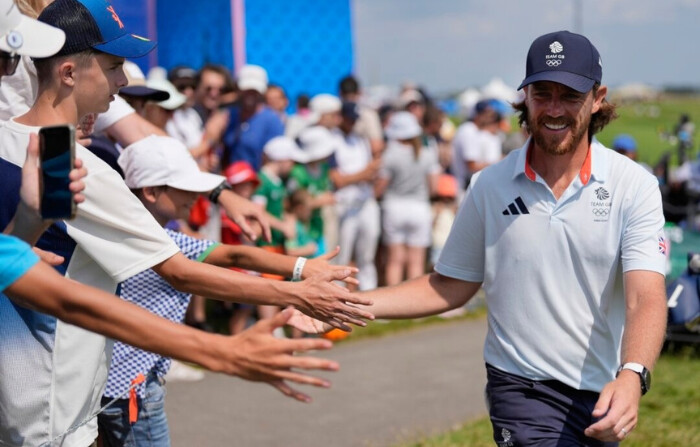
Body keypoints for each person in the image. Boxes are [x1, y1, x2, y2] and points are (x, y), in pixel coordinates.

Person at [0, 2, 371, 446]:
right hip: (49, 406)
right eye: (115, 66)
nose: (124, 81)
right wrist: (292, 296)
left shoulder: (7, 138)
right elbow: (176, 269)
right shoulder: (86, 170)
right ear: (67, 73)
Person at [302, 30, 668, 446]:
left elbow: (645, 296)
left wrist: (633, 374)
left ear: (597, 98)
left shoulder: (633, 185)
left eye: (569, 95)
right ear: (525, 96)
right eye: (542, 93)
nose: (553, 108)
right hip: (520, 388)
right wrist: (347, 304)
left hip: (604, 388)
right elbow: (450, 284)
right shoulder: (489, 186)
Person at [98, 136, 356, 446]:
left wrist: (302, 267)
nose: (196, 196)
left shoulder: (158, 235)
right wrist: (298, 290)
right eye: (185, 188)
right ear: (151, 191)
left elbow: (235, 255)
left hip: (121, 383)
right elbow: (192, 274)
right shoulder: (145, 240)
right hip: (131, 387)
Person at [375, 111, 440, 285]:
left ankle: (393, 306)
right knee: (416, 262)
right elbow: (434, 187)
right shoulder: (428, 153)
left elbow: (380, 187)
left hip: (394, 207)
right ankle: (414, 309)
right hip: (419, 208)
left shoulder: (390, 154)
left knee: (395, 261)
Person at [329, 100, 381, 290]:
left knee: (367, 254)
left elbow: (369, 173)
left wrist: (367, 175)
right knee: (342, 255)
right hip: (344, 203)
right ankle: (338, 298)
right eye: (349, 119)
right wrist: (364, 174)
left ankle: (370, 296)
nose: (352, 123)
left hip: (365, 200)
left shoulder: (360, 140)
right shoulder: (332, 140)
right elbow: (337, 180)